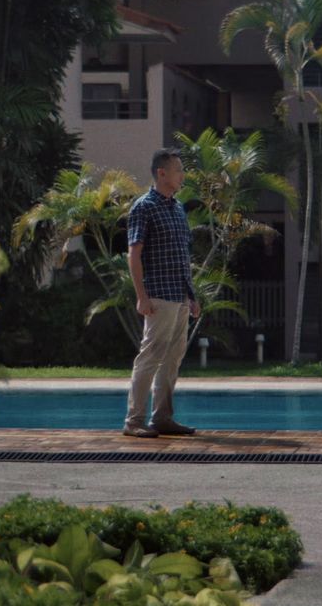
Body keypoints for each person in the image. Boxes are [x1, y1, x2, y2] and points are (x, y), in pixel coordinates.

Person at [122, 149, 201, 438]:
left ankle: (163, 418)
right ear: (162, 173)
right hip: (157, 296)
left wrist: (192, 296)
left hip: (179, 296)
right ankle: (134, 421)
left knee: (172, 359)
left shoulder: (178, 208)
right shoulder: (144, 207)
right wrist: (141, 296)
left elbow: (182, 256)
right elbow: (134, 254)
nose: (183, 175)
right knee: (150, 356)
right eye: (178, 170)